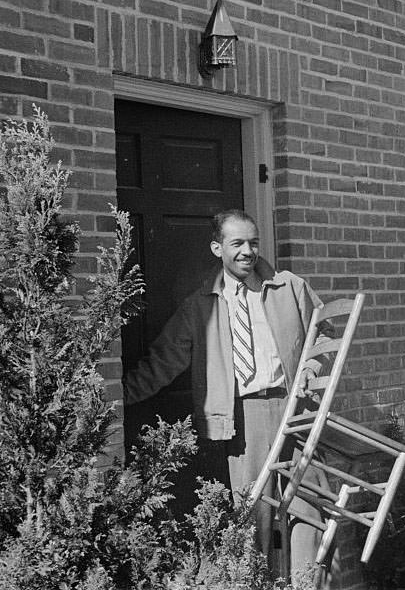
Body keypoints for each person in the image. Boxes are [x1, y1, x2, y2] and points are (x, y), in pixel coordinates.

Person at [123, 209, 330, 576]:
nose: (247, 251)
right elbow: (164, 361)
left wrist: (310, 370)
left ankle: (306, 582)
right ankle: (256, 583)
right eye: (237, 243)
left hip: (294, 408)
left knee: (309, 505)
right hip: (242, 418)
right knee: (253, 513)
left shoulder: (289, 287)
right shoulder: (200, 304)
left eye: (253, 242)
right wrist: (117, 399)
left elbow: (323, 335)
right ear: (217, 248)